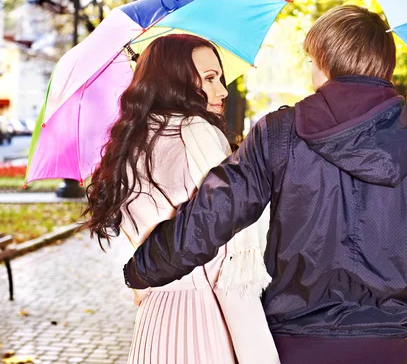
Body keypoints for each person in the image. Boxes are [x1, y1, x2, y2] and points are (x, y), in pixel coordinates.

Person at [123, 6, 407, 364]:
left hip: (295, 346)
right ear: (386, 66)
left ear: (324, 62)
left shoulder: (278, 133)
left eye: (312, 62)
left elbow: (212, 215)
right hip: (385, 350)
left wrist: (141, 269)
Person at [82, 34, 279, 364]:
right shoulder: (197, 132)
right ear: (176, 79)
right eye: (210, 79)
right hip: (205, 320)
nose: (223, 91)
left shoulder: (129, 145)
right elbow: (229, 260)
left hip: (154, 320)